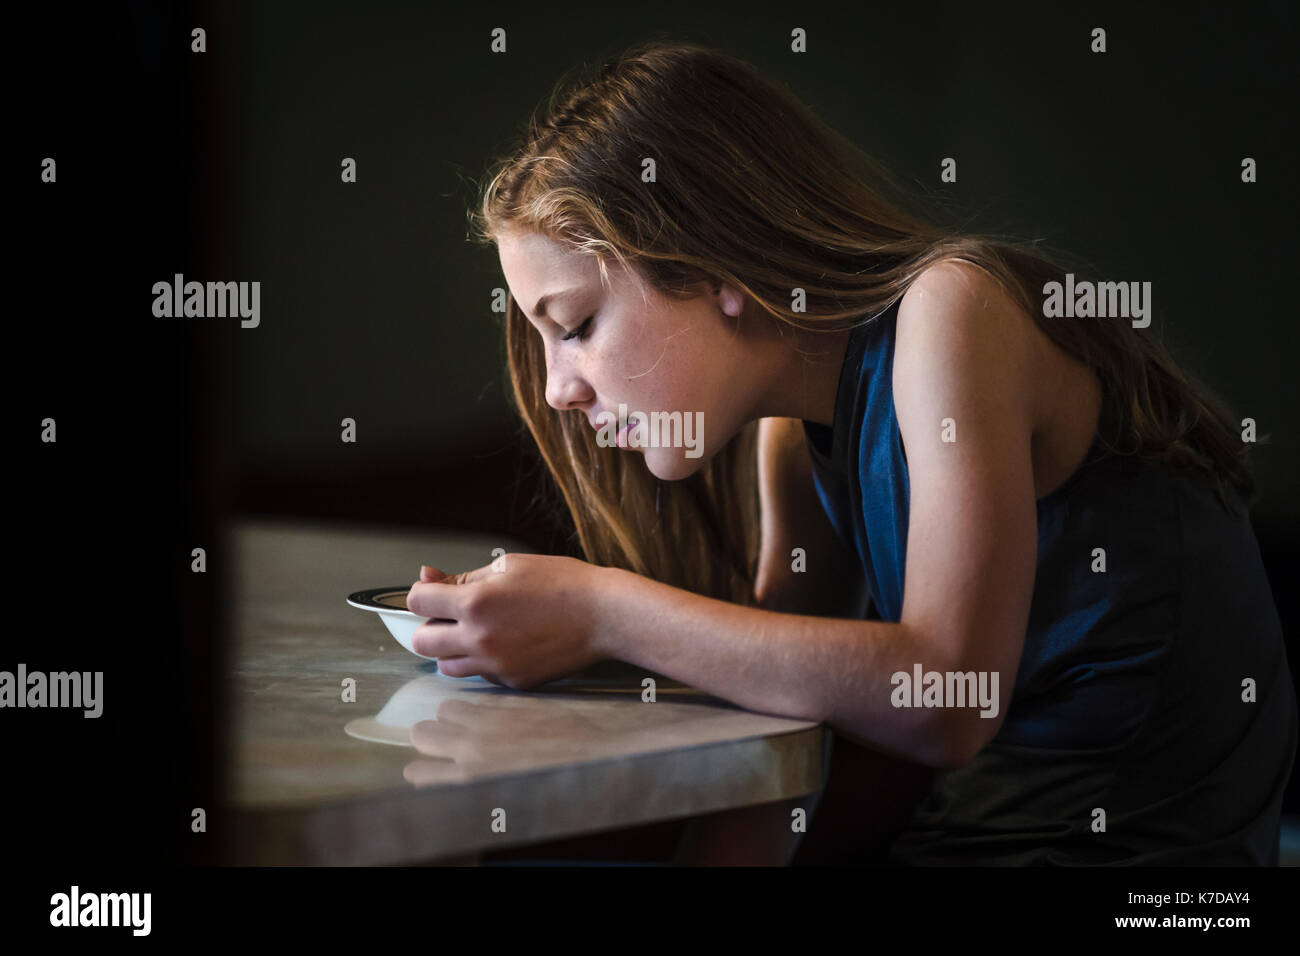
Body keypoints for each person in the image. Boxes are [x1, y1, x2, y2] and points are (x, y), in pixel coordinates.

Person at [404, 41, 1297, 865]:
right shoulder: (792, 441)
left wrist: (603, 610)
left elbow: (950, 699)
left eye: (578, 326)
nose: (560, 390)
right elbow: (768, 721)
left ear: (712, 264)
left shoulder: (954, 311)